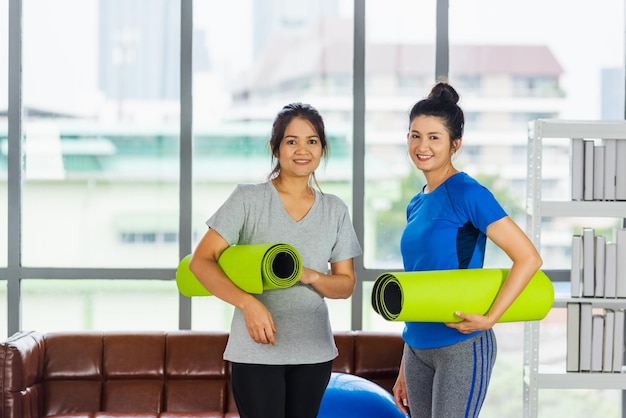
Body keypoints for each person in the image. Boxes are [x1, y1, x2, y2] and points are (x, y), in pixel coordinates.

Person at [188, 102, 362, 418]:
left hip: (314, 351)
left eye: (312, 141)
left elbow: (346, 284)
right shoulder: (248, 199)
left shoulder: (335, 209)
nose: (302, 150)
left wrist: (309, 275)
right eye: (291, 141)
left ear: (323, 148)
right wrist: (248, 304)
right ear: (275, 147)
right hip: (255, 351)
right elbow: (201, 261)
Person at [392, 82, 543, 418]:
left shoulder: (469, 193)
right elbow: (418, 281)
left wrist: (491, 318)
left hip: (460, 344)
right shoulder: (416, 203)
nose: (422, 145)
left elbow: (528, 257)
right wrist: (405, 362)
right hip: (417, 345)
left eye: (434, 137)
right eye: (415, 135)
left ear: (454, 144)